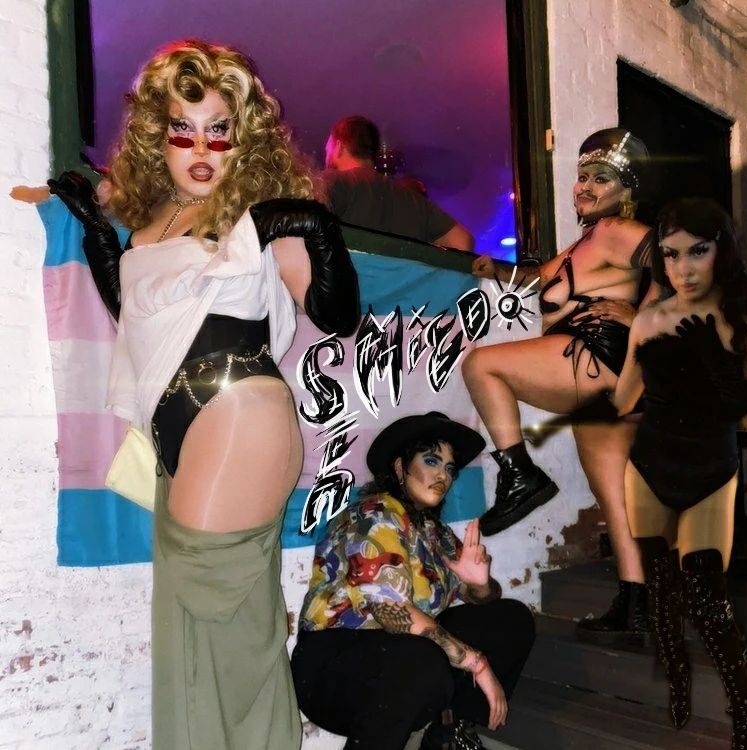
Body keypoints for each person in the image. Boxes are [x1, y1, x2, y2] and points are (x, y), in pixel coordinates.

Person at [41, 40, 360, 749]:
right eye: (183, 130)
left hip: (238, 411)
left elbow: (337, 315)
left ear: (244, 137)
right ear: (157, 137)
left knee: (221, 615)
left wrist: (314, 226)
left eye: (220, 129)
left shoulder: (257, 214)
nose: (202, 148)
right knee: (194, 624)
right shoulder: (152, 226)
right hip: (181, 431)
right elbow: (140, 317)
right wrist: (97, 234)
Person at [464, 129, 661, 641]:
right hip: (604, 377)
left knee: (482, 366)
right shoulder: (585, 243)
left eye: (601, 179)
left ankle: (520, 475)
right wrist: (500, 269)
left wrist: (641, 315)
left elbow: (685, 262)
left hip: (595, 354)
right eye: (582, 177)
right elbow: (544, 279)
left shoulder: (617, 229)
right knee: (611, 494)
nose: (585, 186)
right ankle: (635, 602)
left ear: (625, 190)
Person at [291, 411, 535, 750]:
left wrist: (479, 585)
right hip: (331, 665)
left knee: (510, 620)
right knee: (422, 661)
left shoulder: (434, 531)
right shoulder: (374, 515)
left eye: (450, 468)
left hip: (399, 652)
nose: (443, 475)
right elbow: (391, 612)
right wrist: (476, 663)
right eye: (431, 461)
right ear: (399, 468)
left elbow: (480, 598)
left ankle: (449, 733)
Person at [610, 198, 747, 745]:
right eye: (670, 255)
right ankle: (678, 685)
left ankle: (744, 711)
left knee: (708, 602)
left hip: (711, 473)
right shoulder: (648, 319)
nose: (682, 268)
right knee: (663, 594)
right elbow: (622, 400)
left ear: (722, 250)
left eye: (698, 251)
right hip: (649, 469)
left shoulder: (741, 317)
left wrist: (716, 366)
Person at [323, 115, 475, 251]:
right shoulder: (413, 200)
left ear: (339, 147)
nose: (327, 155)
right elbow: (462, 241)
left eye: (327, 149)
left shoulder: (330, 181)